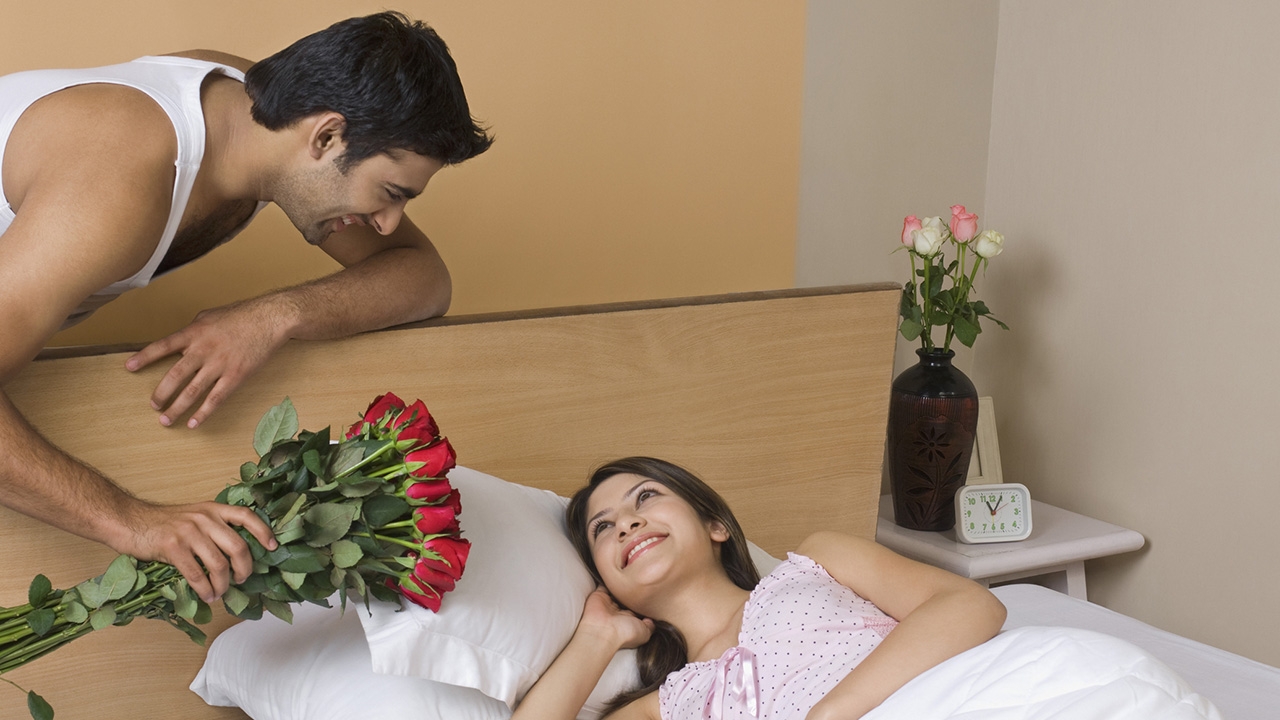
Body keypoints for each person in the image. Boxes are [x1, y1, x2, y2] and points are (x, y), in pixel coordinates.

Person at [0, 12, 492, 604]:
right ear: (326, 137)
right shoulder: (118, 181)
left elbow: (423, 277)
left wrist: (273, 316)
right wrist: (134, 523)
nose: (388, 223)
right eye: (390, 192)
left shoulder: (252, 109)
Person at [514, 457, 1007, 720]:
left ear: (715, 526)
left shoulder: (818, 560)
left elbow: (970, 604)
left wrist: (834, 712)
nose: (627, 523)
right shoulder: (665, 706)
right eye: (603, 528)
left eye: (645, 497)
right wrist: (597, 636)